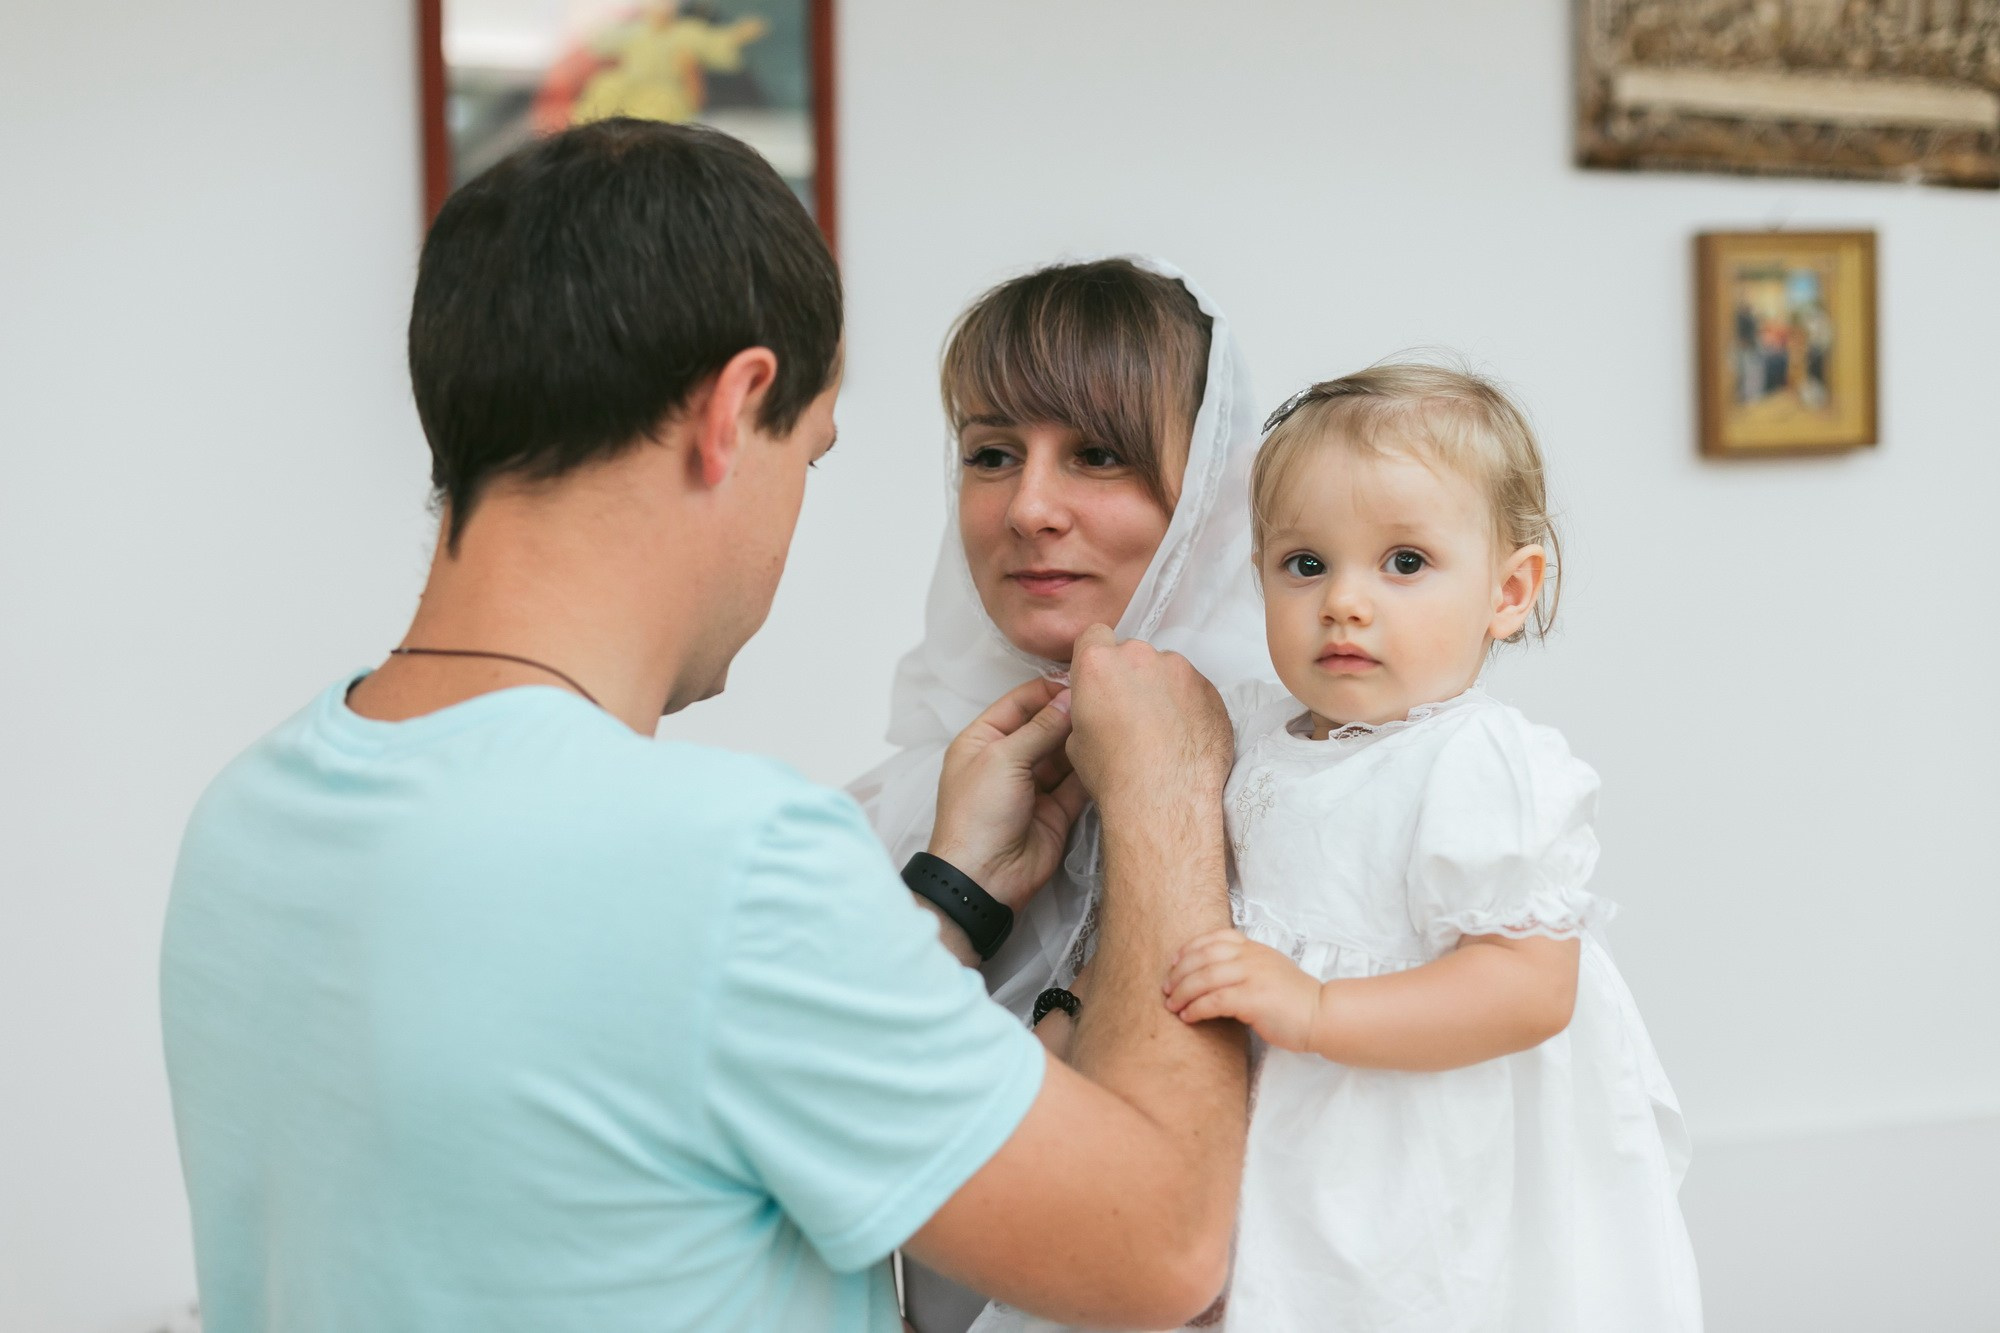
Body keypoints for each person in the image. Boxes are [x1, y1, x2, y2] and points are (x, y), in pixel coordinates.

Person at [159, 119, 1250, 1333]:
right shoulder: (729, 864)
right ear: (734, 410)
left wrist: (944, 904)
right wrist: (1165, 793)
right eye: (809, 458)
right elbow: (1160, 1248)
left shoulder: (245, 817)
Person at [975, 363, 1703, 1332]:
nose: (1344, 602)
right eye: (1306, 563)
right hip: (1267, 1149)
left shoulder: (1477, 763)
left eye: (1403, 562)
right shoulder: (1251, 733)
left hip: (1409, 1160)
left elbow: (1530, 988)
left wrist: (1318, 1008)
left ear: (1508, 590)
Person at [848, 257, 1274, 1332]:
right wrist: (948, 898)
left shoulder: (1320, 800)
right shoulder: (883, 821)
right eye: (991, 454)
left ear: (1216, 491)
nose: (1029, 507)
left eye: (1097, 453)